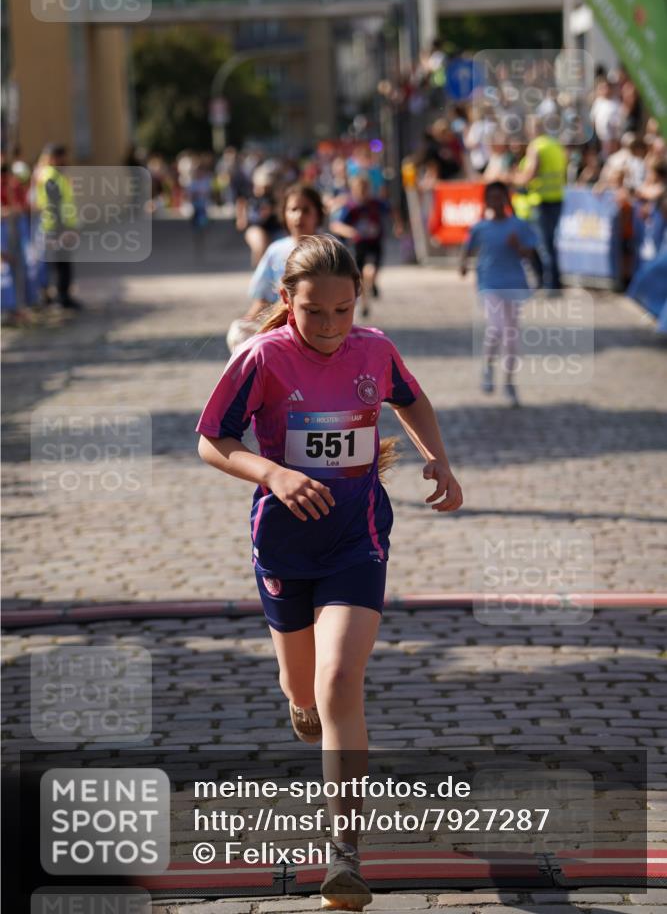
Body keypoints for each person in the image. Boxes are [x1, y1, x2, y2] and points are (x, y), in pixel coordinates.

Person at [196, 235, 463, 910]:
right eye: (314, 312)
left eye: (342, 310)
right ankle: (301, 701)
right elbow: (212, 440)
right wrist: (274, 473)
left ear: (357, 303)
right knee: (304, 690)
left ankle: (342, 852)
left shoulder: (373, 348)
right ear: (287, 302)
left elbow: (412, 399)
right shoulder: (261, 358)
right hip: (283, 546)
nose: (329, 326)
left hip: (356, 538)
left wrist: (437, 459)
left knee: (341, 677)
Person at [460, 182, 538, 408]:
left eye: (499, 197)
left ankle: (509, 383)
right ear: (486, 201)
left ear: (506, 199)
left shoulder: (519, 226)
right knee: (496, 327)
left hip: (514, 283)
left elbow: (530, 252)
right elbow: (468, 248)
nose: (496, 201)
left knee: (511, 336)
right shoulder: (480, 228)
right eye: (491, 197)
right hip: (489, 283)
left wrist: (518, 247)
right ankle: (488, 366)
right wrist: (463, 264)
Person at [226, 184, 325, 353]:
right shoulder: (276, 251)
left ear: (318, 214)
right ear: (283, 213)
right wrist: (249, 322)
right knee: (238, 333)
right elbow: (261, 298)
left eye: (306, 210)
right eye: (293, 209)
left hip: (319, 325)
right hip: (279, 325)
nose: (298, 216)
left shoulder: (328, 249)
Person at [330, 174, 397, 319]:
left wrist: (398, 224)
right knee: (360, 277)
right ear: (353, 190)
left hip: (374, 243)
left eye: (365, 189)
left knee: (371, 271)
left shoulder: (376, 204)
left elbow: (391, 209)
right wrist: (350, 232)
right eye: (359, 189)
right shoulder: (350, 208)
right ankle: (365, 304)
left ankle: (372, 283)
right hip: (358, 246)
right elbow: (336, 225)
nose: (362, 192)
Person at [513, 122, 567, 294]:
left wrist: (514, 179)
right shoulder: (555, 145)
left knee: (542, 245)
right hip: (557, 197)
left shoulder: (536, 147)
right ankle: (554, 283)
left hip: (540, 200)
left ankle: (549, 285)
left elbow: (530, 174)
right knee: (550, 243)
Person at [34, 143, 81, 309]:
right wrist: (64, 230)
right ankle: (61, 298)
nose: (66, 160)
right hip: (56, 227)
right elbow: (54, 205)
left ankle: (61, 296)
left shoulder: (55, 175)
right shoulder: (50, 177)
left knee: (61, 263)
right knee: (60, 264)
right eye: (62, 157)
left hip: (58, 226)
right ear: (54, 158)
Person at [235, 164, 282, 267]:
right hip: (255, 226)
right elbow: (241, 203)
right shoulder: (249, 194)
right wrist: (241, 218)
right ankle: (260, 272)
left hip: (274, 227)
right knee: (260, 244)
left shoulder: (274, 195)